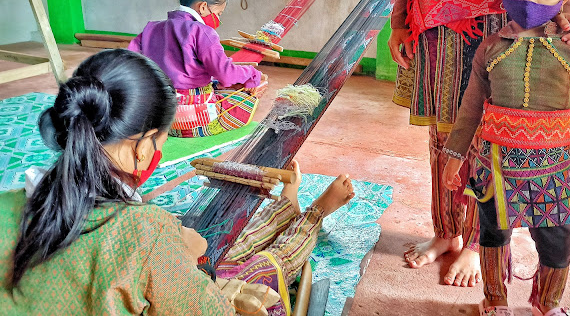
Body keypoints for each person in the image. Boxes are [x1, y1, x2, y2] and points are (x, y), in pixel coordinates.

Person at [0, 48, 355, 315]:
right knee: (261, 271)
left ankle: (286, 210)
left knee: (227, 251)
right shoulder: (146, 232)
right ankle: (311, 214)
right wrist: (197, 273)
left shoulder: (7, 205)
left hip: (162, 249)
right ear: (141, 148)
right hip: (181, 268)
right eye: (162, 141)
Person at [388, 0, 570, 287]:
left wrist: (565, 11)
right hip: (437, 4)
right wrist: (399, 15)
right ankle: (446, 231)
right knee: (446, 130)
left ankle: (476, 240)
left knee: (492, 128)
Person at [441, 0, 570, 316]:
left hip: (551, 172)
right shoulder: (491, 48)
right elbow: (470, 108)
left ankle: (547, 306)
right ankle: (495, 301)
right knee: (493, 233)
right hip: (495, 168)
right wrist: (454, 153)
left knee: (557, 239)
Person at [129, 0, 267, 138]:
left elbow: (131, 62)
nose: (218, 20)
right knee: (248, 95)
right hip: (190, 121)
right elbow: (226, 74)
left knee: (217, 83)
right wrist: (253, 74)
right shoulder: (203, 32)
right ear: (203, 7)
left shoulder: (152, 28)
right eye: (218, 14)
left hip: (160, 117)